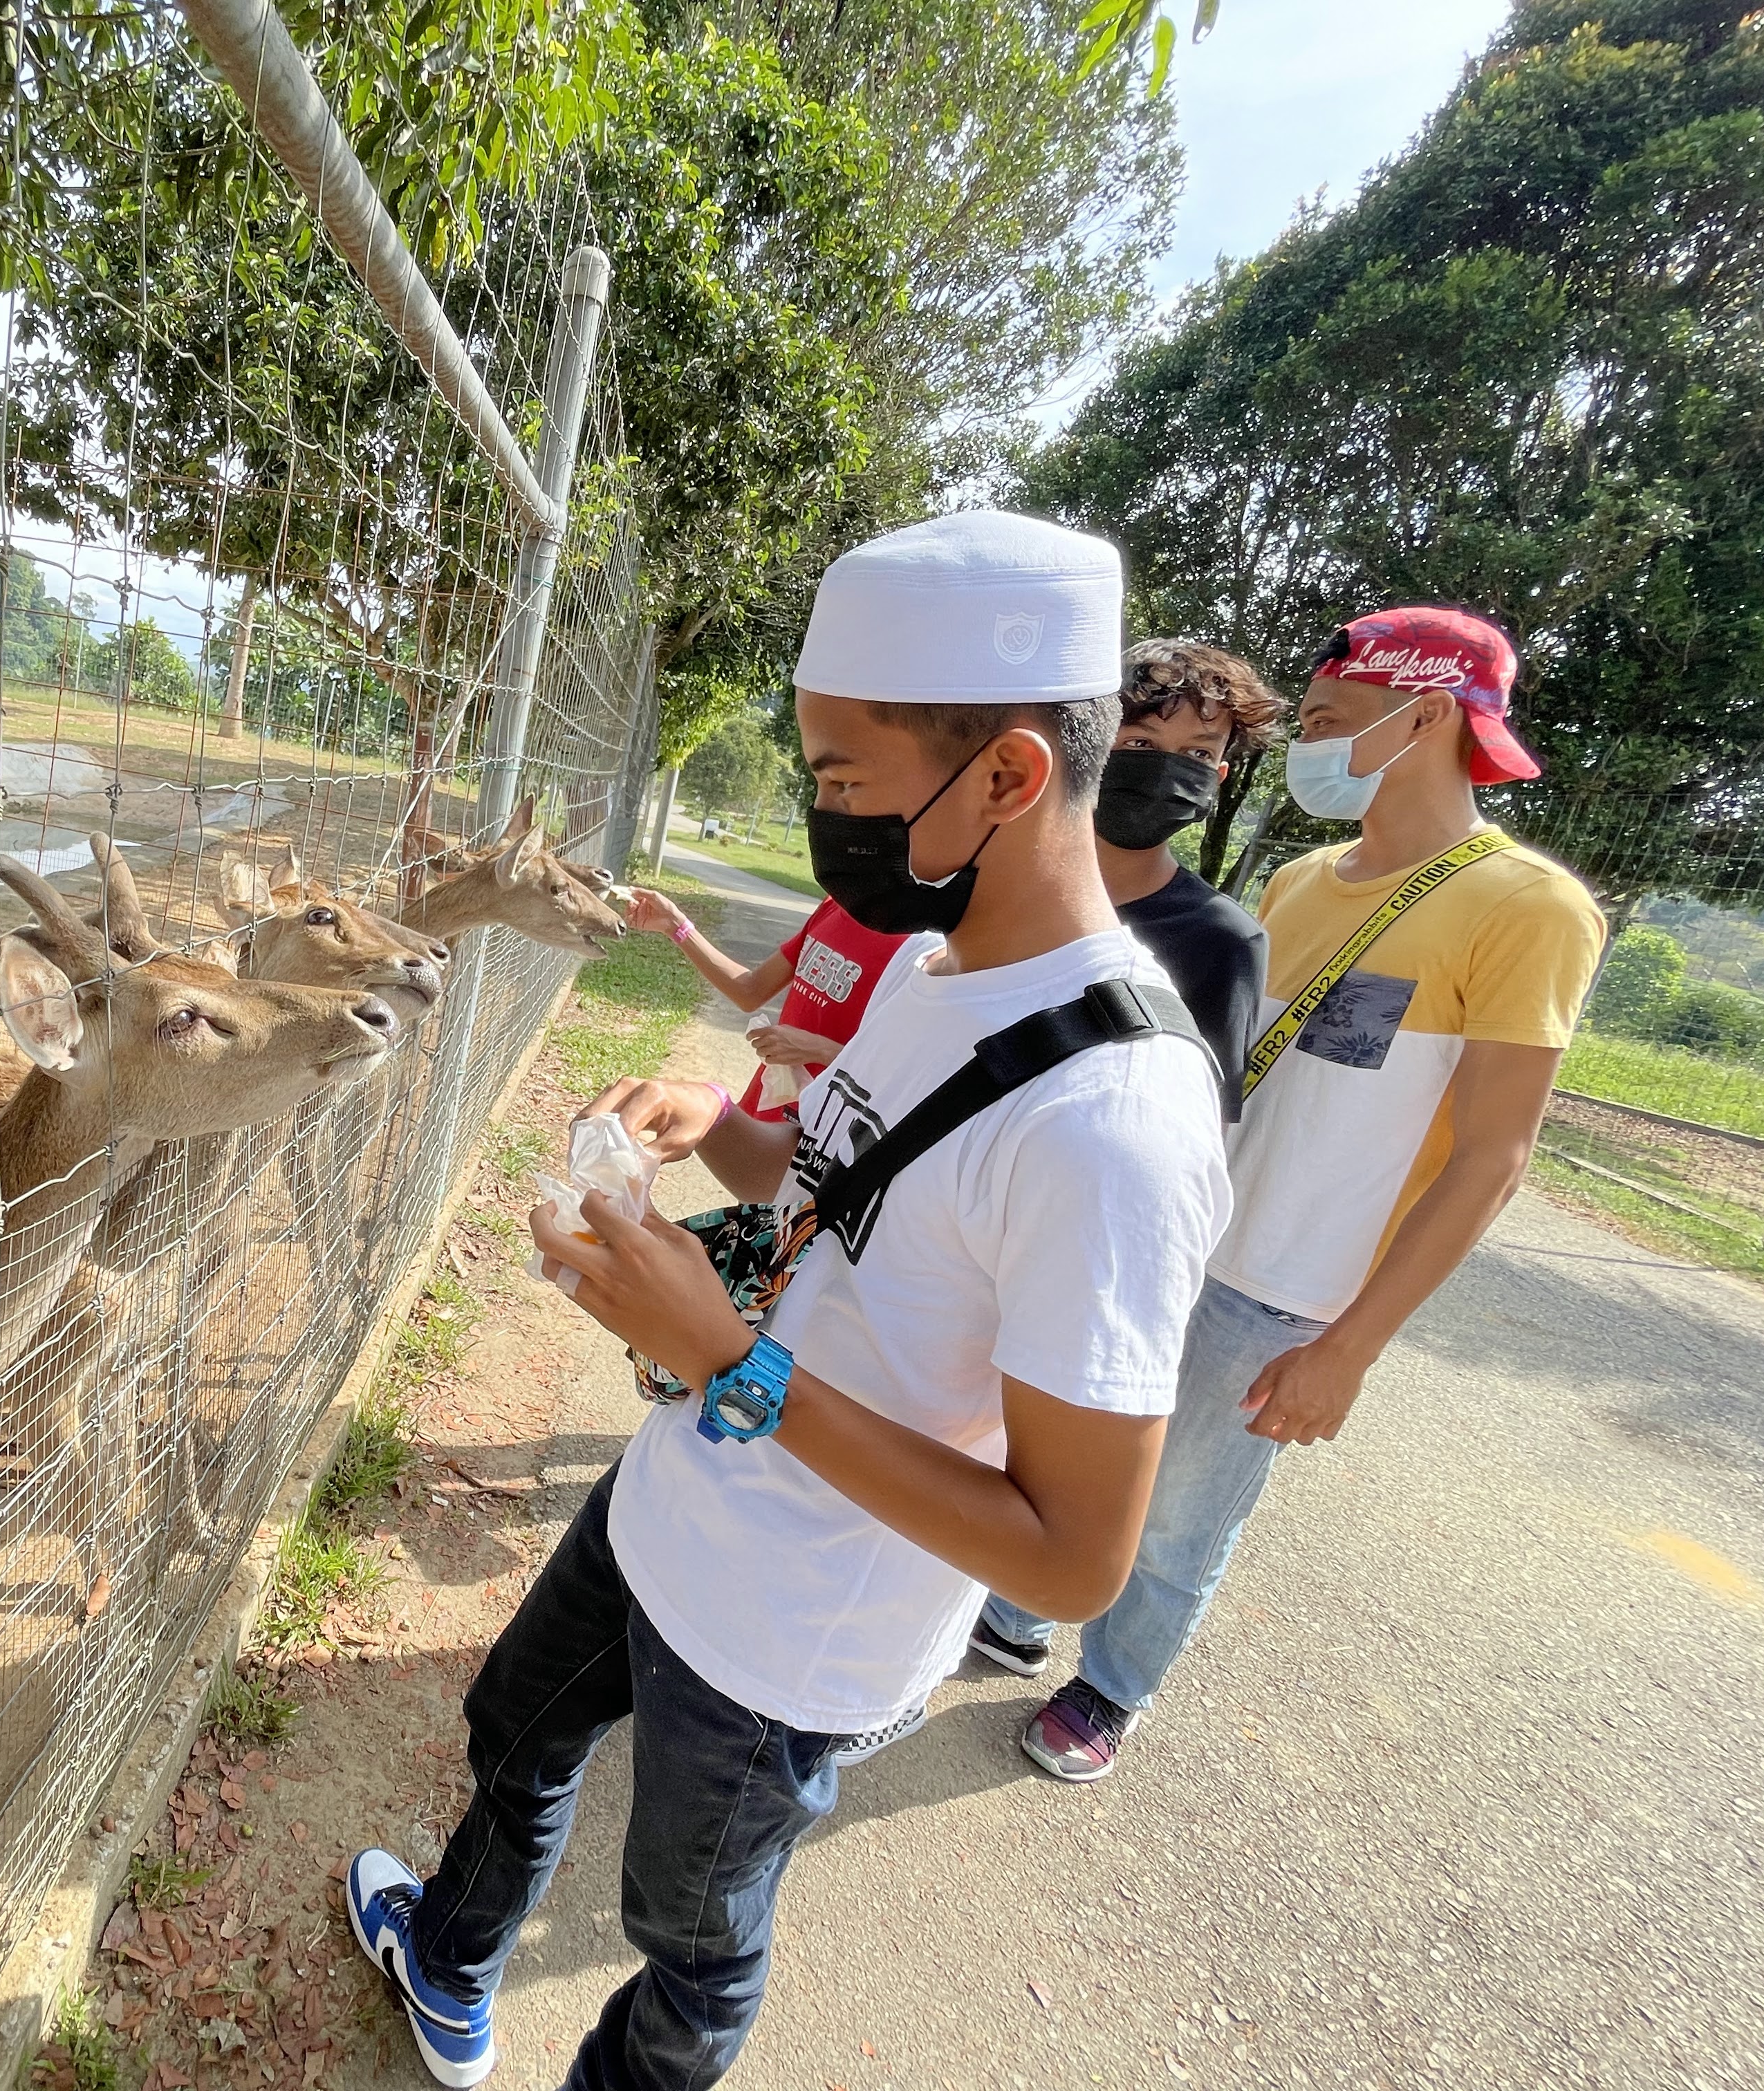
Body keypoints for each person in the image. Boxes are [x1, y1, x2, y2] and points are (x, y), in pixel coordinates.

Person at [339, 512, 1231, 2091]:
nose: (826, 818)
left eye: (839, 783)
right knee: (518, 1733)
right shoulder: (927, 962)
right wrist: (716, 1131)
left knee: (686, 1941)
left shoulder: (1116, 1125)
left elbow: (1074, 1551)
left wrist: (730, 1361)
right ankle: (453, 1955)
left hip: (789, 1636)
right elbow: (823, 1172)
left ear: (1010, 777)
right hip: (672, 1498)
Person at [985, 604, 1608, 1783]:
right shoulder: (1305, 875)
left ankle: (1110, 1683)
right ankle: (1024, 1598)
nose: (1310, 745)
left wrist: (1351, 1345)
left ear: (1424, 713)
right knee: (1082, 1433)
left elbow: (1493, 1155)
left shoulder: (1528, 908)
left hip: (1290, 1288)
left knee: (1182, 1510)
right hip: (1182, 1235)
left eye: (1326, 720)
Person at [1090, 640, 1285, 1115]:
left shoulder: (1225, 941)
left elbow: (1202, 1125)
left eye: (1196, 754)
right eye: (1140, 744)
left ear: (1217, 777)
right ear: (1090, 745)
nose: (1164, 771)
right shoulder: (990, 888)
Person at [614, 882, 907, 1117]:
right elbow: (750, 991)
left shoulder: (920, 948)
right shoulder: (833, 907)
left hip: (825, 1135)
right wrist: (675, 926)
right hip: (768, 1108)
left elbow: (905, 1076)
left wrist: (821, 1050)